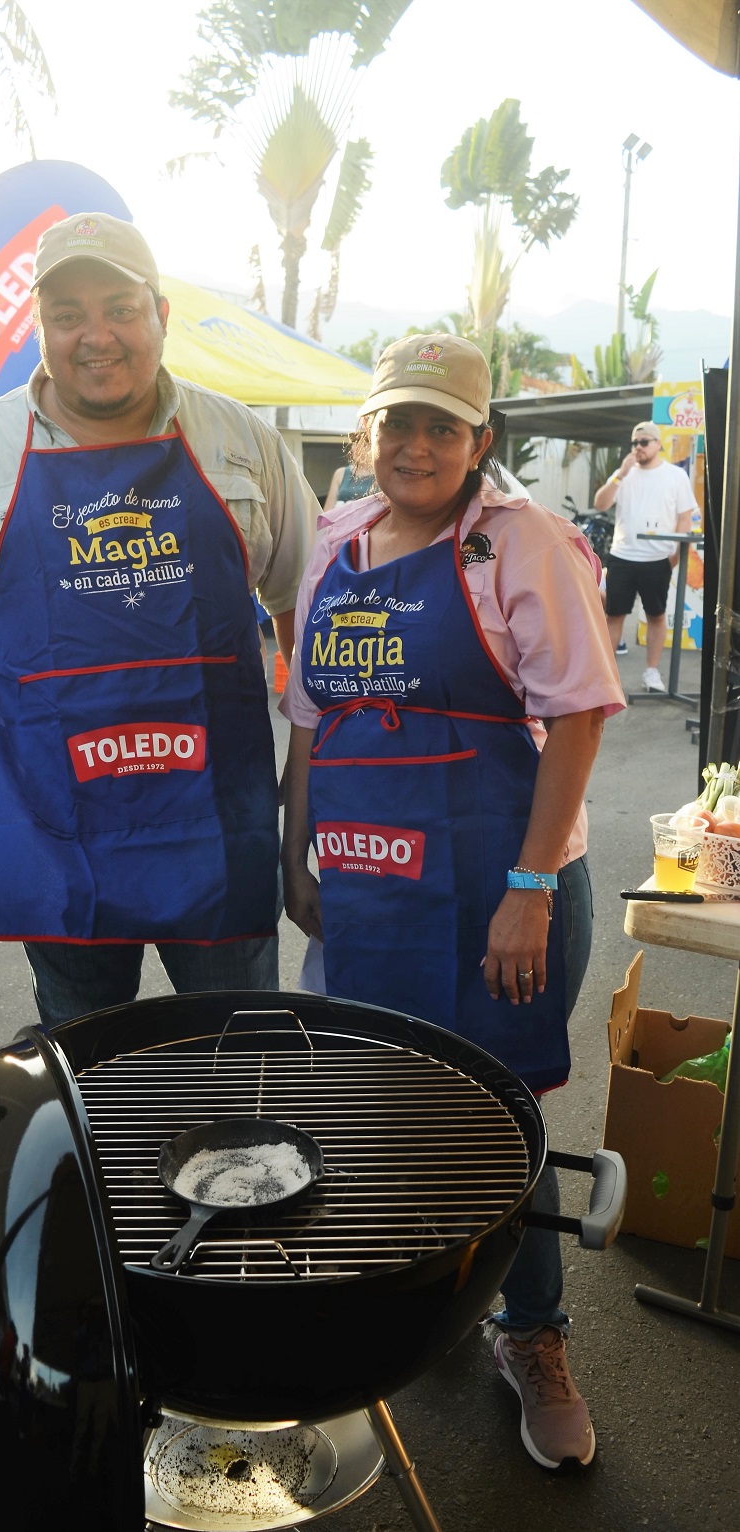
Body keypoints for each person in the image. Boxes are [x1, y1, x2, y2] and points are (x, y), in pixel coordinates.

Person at [279, 334, 625, 1471]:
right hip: (368, 881)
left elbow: (576, 713)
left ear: (481, 441)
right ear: (362, 434)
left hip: (501, 886)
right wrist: (298, 852)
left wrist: (526, 888)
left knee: (500, 1122)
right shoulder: (334, 546)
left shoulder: (520, 543)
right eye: (397, 422)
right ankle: (416, 1310)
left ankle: (531, 1335)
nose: (416, 444)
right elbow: (310, 719)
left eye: (443, 425)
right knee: (381, 1111)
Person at [0, 211, 313, 1022]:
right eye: (67, 315)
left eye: (119, 307)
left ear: (161, 316)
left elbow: (305, 604)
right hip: (55, 819)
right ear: (39, 327)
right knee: (84, 1054)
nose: (95, 335)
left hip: (214, 819)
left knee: (239, 1045)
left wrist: (314, 763)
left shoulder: (240, 441)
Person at [593, 421, 697, 692]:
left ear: (658, 444)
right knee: (614, 616)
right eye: (634, 443)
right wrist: (620, 475)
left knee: (656, 615)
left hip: (657, 559)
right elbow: (600, 504)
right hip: (623, 556)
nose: (638, 447)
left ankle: (651, 672)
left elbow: (684, 517)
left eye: (644, 442)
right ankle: (605, 676)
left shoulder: (676, 476)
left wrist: (675, 554)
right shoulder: (623, 474)